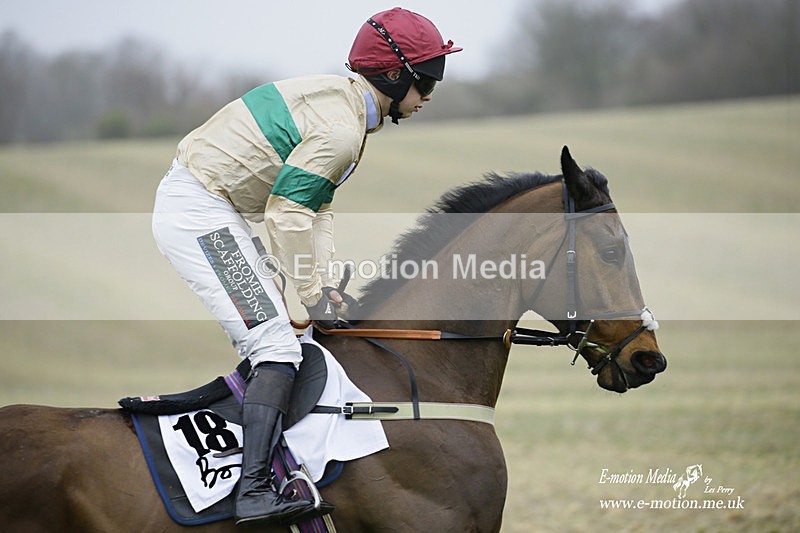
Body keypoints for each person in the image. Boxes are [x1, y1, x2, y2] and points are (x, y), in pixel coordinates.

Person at [151, 7, 461, 528]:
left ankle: (285, 460)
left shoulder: (345, 107)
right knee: (274, 342)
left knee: (297, 331)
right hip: (200, 215)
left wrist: (324, 284)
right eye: (426, 79)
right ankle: (252, 493)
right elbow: (288, 213)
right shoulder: (342, 129)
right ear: (394, 74)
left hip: (214, 208)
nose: (430, 92)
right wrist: (311, 289)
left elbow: (315, 208)